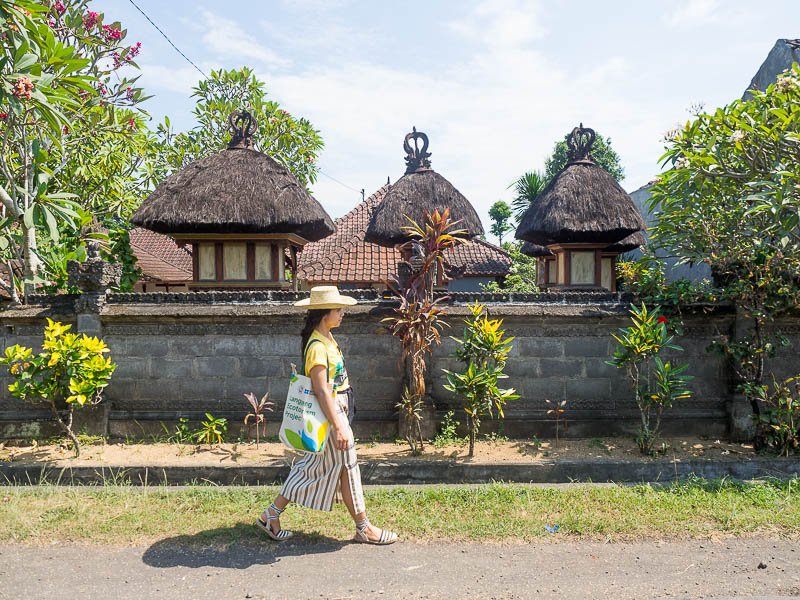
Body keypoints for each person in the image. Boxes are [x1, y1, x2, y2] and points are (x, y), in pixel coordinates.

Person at [256, 286, 398, 545]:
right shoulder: (317, 346)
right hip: (332, 412)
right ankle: (363, 528)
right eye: (338, 309)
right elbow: (321, 390)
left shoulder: (327, 338)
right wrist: (340, 427)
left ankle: (271, 515)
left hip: (337, 409)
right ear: (324, 313)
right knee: (346, 467)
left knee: (314, 467)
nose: (342, 313)